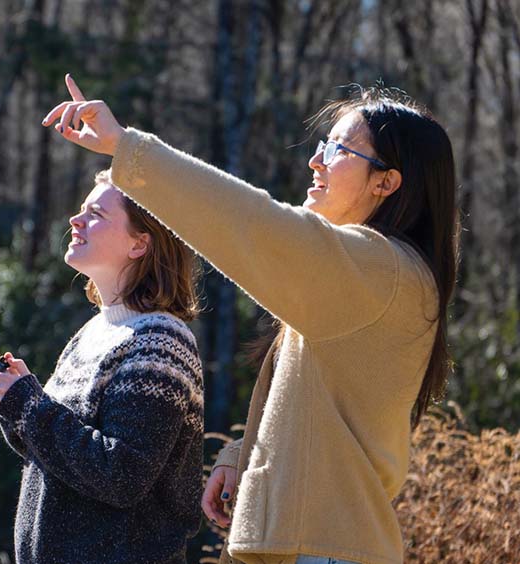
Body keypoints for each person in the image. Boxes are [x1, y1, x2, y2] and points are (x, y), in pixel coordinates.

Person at [41, 75, 458, 564]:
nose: (316, 159)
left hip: (323, 551)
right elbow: (324, 412)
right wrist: (246, 456)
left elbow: (254, 223)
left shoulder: (381, 269)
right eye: (322, 143)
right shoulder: (367, 277)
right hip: (313, 544)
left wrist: (127, 148)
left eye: (339, 150)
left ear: (386, 183)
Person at [0, 169, 206, 564]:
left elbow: (121, 475)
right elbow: (52, 455)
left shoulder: (159, 340)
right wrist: (11, 399)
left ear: (139, 243)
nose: (75, 221)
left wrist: (28, 404)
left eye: (95, 214)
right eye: (82, 210)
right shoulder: (97, 330)